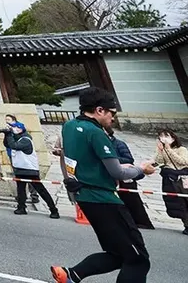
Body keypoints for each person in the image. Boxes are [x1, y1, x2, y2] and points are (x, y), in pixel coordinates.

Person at [51, 87, 155, 283]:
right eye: (112, 113)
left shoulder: (69, 126)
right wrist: (141, 169)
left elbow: (76, 158)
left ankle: (71, 274)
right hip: (105, 199)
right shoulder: (96, 132)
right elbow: (118, 173)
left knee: (118, 254)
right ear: (99, 110)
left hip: (84, 196)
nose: (113, 118)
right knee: (138, 259)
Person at [2, 120, 59, 218]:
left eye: (15, 127)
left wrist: (9, 135)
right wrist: (6, 135)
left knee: (41, 190)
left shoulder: (26, 139)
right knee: (21, 190)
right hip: (20, 168)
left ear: (21, 129)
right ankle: (21, 207)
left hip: (30, 170)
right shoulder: (17, 138)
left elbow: (14, 146)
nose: (13, 129)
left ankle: (53, 210)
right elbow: (7, 144)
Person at [106, 127, 153, 230]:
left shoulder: (119, 144)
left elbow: (129, 159)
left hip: (126, 176)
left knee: (133, 201)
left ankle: (142, 222)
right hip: (113, 176)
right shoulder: (102, 144)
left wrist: (112, 160)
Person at [153, 128, 188, 234]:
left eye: (166, 136)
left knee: (185, 200)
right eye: (161, 136)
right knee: (178, 203)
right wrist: (160, 150)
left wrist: (169, 149)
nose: (164, 138)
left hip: (183, 178)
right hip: (170, 178)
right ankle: (186, 224)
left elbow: (183, 161)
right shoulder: (162, 149)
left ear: (173, 138)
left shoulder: (182, 149)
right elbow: (158, 161)